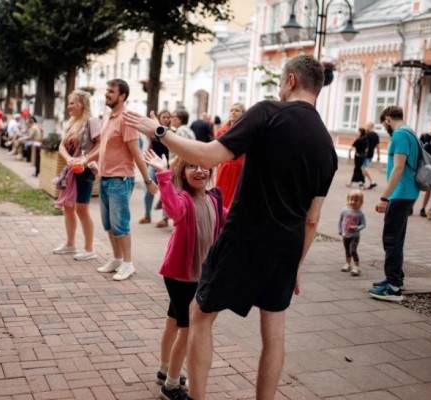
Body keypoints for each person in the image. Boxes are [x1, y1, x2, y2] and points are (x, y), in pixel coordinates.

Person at [123, 55, 337, 400]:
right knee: (274, 332)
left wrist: (159, 132)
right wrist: (296, 266)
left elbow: (208, 155)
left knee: (200, 315)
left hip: (244, 237)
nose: (280, 89)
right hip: (286, 246)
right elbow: (313, 218)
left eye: (282, 82)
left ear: (292, 80)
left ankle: (198, 396)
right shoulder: (327, 146)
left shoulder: (269, 113)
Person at [144, 149, 227, 400]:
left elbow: (228, 220)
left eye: (203, 166)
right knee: (187, 329)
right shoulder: (182, 200)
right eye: (192, 166)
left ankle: (164, 368)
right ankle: (170, 385)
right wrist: (163, 175)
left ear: (211, 170)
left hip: (199, 274)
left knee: (174, 320)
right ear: (183, 172)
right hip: (182, 276)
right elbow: (172, 210)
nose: (199, 170)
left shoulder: (213, 199)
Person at [89, 79, 157, 281]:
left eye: (111, 91)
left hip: (120, 179)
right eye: (107, 90)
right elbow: (102, 148)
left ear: (123, 96)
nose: (107, 94)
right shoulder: (110, 117)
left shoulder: (126, 119)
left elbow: (136, 153)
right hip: (105, 178)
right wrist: (86, 160)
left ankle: (128, 264)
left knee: (121, 225)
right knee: (108, 224)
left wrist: (147, 181)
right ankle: (117, 259)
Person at [370, 106, 420, 302]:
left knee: (391, 240)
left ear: (388, 119)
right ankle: (394, 278)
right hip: (408, 193)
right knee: (397, 239)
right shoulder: (411, 132)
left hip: (400, 194)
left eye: (384, 124)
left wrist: (384, 197)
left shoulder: (399, 135)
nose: (385, 128)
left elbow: (398, 169)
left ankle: (393, 288)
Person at [53, 90, 101, 261]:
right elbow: (61, 146)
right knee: (68, 207)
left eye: (72, 103)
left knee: (82, 208)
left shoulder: (92, 122)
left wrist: (84, 160)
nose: (69, 106)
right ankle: (70, 244)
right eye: (69, 102)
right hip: (71, 170)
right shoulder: (71, 123)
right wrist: (70, 159)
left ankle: (89, 249)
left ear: (82, 104)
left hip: (85, 170)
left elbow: (100, 145)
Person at [140, 110, 171, 227]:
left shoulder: (171, 133)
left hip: (166, 167)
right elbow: (148, 147)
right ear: (159, 118)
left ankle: (165, 218)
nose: (167, 119)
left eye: (168, 117)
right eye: (164, 117)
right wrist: (146, 163)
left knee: (166, 192)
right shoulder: (154, 133)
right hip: (153, 165)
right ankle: (147, 215)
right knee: (148, 190)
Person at [215, 103, 246, 209]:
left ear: (243, 114)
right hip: (224, 166)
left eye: (237, 110)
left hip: (239, 167)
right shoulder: (221, 131)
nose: (233, 112)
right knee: (221, 193)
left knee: (235, 196)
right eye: (231, 110)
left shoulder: (246, 130)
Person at [338, 190, 366, 277]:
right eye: (351, 200)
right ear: (348, 200)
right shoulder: (344, 210)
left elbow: (364, 225)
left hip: (355, 236)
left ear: (361, 202)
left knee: (353, 250)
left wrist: (357, 228)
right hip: (345, 235)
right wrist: (340, 230)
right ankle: (347, 264)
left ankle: (357, 266)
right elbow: (340, 221)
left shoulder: (360, 214)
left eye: (356, 200)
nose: (353, 202)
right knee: (347, 250)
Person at [362, 122, 380, 189]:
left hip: (365, 154)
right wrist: (378, 156)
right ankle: (363, 183)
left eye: (367, 126)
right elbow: (378, 146)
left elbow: (365, 144)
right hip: (371, 154)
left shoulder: (367, 135)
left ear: (370, 127)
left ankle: (372, 182)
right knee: (363, 168)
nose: (366, 127)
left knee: (363, 168)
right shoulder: (376, 135)